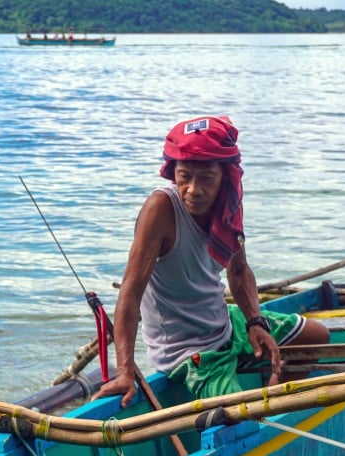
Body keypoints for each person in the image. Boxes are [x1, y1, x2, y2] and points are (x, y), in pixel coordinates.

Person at [94, 115, 329, 408]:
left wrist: (255, 322)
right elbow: (130, 293)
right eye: (185, 176)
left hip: (225, 322)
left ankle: (277, 397)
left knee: (315, 336)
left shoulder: (228, 202)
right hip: (189, 350)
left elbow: (239, 270)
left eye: (206, 178)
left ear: (224, 177)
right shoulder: (161, 209)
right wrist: (125, 373)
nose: (194, 189)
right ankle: (265, 412)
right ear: (173, 172)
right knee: (239, 415)